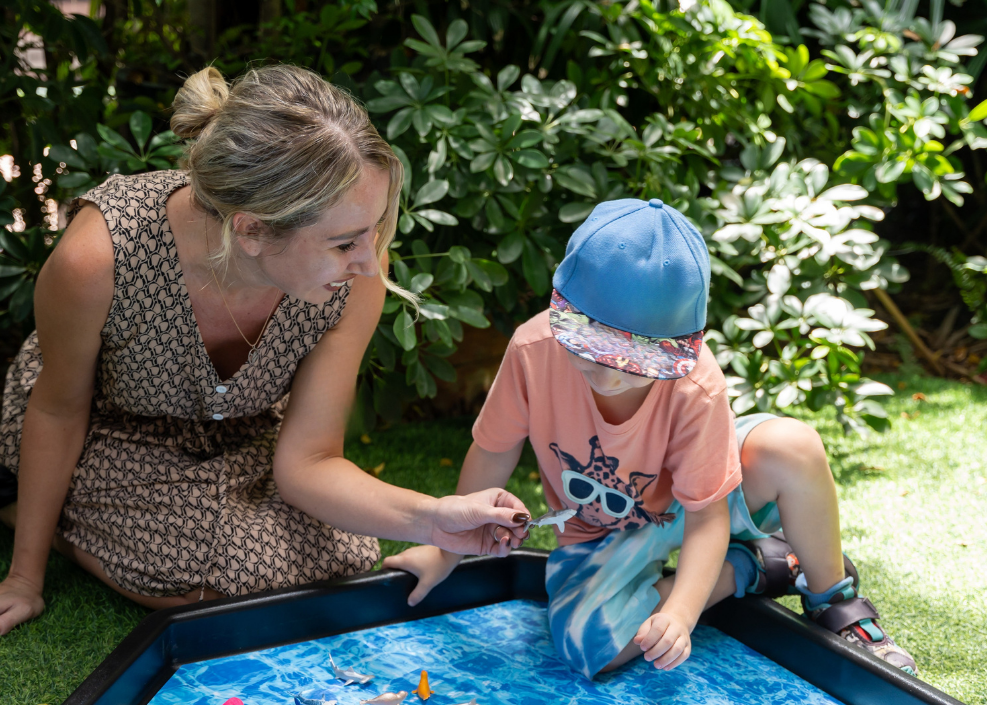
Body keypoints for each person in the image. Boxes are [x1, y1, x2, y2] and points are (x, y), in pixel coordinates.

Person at [0, 65, 527, 641]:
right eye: (344, 242)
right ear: (252, 232)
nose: (370, 263)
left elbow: (310, 461)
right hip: (107, 424)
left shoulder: (356, 275)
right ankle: (15, 499)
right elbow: (59, 409)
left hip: (240, 429)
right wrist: (24, 578)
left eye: (373, 231)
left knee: (338, 559)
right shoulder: (97, 259)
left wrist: (435, 519)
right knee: (192, 584)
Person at [384, 197, 917, 678]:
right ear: (562, 316)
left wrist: (682, 614)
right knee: (589, 644)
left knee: (791, 447)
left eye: (637, 363)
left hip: (702, 502)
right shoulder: (533, 351)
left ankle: (831, 599)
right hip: (603, 530)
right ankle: (755, 565)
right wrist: (443, 551)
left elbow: (707, 515)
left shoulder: (694, 383)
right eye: (592, 351)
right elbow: (492, 453)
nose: (612, 376)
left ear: (676, 347)